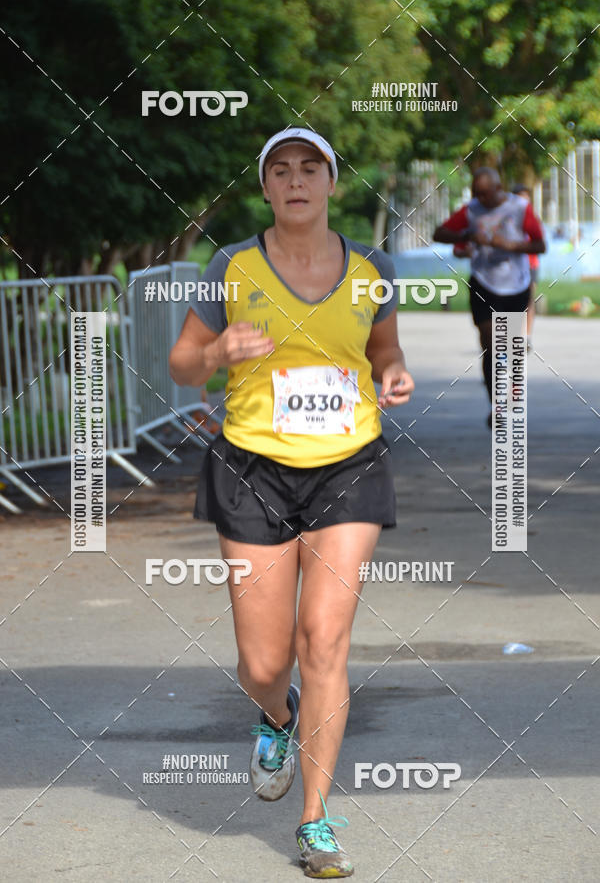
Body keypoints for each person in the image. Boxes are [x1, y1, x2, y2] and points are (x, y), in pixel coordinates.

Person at [169, 127, 414, 878]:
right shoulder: (232, 266)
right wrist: (215, 355)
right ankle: (279, 716)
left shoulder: (372, 268)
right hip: (252, 468)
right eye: (282, 170)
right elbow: (182, 366)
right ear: (266, 186)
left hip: (347, 465)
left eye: (312, 168)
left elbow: (383, 349)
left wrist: (394, 373)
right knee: (264, 660)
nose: (297, 180)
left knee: (325, 640)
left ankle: (315, 823)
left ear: (333, 182)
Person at [433, 167, 545, 426]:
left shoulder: (519, 208)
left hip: (515, 285)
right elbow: (439, 233)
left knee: (511, 346)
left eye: (485, 193)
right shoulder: (471, 210)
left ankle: (513, 397)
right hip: (483, 282)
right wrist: (466, 235)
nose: (480, 199)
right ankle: (496, 404)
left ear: (498, 188)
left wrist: (511, 245)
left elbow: (540, 245)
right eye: (476, 193)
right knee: (490, 343)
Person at [512, 185, 541, 351]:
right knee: (513, 301)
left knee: (529, 299)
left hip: (530, 264)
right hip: (513, 266)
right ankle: (514, 335)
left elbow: (540, 243)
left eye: (526, 198)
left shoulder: (533, 219)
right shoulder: (507, 219)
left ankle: (527, 336)